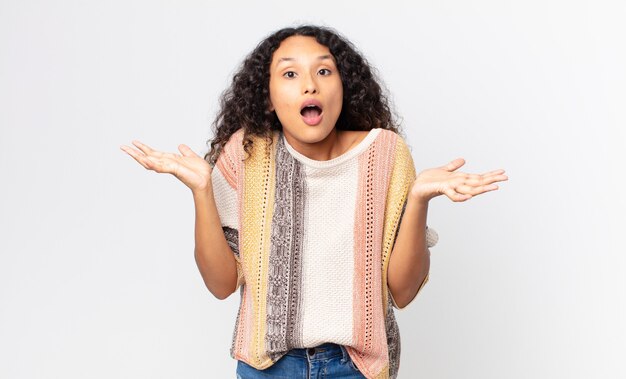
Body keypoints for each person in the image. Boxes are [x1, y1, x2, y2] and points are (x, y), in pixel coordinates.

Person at [121, 25, 507, 379]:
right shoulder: (247, 153)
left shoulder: (386, 154)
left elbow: (402, 292)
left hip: (358, 368)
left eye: (324, 71)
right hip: (267, 368)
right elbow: (221, 284)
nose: (310, 85)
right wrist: (202, 192)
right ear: (268, 98)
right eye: (290, 74)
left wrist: (420, 198)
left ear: (344, 86)